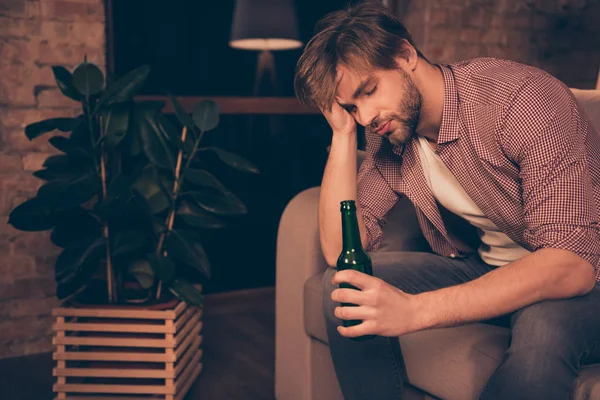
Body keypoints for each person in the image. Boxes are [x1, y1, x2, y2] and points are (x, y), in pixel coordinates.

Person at [293, 2, 600, 400]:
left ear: (405, 56)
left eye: (368, 90)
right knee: (345, 291)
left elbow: (571, 264)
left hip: (588, 280)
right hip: (485, 265)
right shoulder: (389, 132)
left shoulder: (519, 101)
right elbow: (340, 251)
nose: (366, 115)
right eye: (353, 106)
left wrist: (414, 311)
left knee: (542, 328)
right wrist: (342, 134)